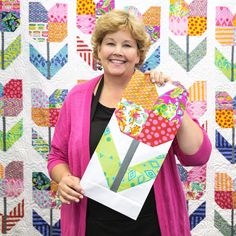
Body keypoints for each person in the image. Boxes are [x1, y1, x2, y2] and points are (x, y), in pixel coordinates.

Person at [47, 9, 212, 236]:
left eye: (127, 45)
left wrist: (171, 98)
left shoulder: (154, 94)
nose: (117, 51)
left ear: (139, 54)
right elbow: (57, 156)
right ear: (98, 50)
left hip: (152, 226)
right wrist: (64, 178)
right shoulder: (77, 97)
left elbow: (197, 155)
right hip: (92, 226)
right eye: (110, 43)